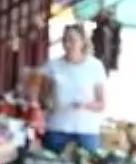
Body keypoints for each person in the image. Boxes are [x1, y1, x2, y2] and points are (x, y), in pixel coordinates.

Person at [40, 24, 107, 153]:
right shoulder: (52, 66)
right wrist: (47, 102)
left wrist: (84, 105)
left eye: (72, 40)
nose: (68, 44)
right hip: (57, 127)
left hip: (86, 130)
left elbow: (102, 103)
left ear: (82, 42)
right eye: (64, 40)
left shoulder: (95, 67)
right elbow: (42, 96)